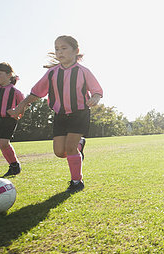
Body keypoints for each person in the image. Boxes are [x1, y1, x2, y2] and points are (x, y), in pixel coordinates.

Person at [9, 36, 103, 193]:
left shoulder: (83, 72)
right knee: (60, 152)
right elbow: (36, 92)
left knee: (71, 148)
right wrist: (21, 106)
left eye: (64, 48)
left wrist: (95, 98)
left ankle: (76, 182)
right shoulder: (52, 73)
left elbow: (97, 90)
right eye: (57, 49)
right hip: (60, 115)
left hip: (79, 113)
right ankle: (80, 144)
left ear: (76, 51)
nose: (60, 52)